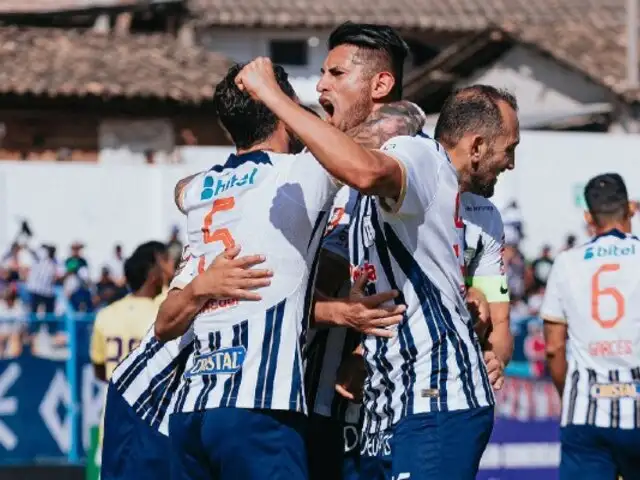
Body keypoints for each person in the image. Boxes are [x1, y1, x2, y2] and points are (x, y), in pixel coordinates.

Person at [236, 54, 519, 479]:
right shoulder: (411, 167)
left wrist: (272, 96)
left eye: (336, 74)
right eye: (509, 150)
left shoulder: (418, 155)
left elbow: (367, 172)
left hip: (435, 395)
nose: (321, 87)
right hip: (388, 401)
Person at [160, 57, 413, 480]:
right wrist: (282, 100)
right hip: (258, 407)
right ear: (281, 112)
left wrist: (201, 289)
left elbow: (166, 323)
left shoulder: (202, 192)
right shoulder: (296, 176)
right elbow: (374, 138)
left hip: (191, 413)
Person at [541, 173, 640, 480]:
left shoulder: (566, 262)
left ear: (587, 216)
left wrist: (570, 391)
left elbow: (555, 347)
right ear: (631, 209)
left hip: (586, 408)